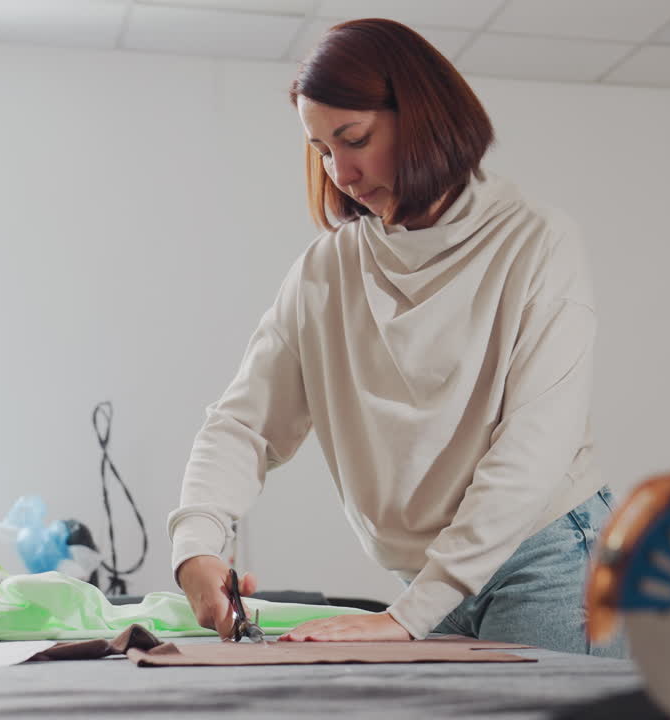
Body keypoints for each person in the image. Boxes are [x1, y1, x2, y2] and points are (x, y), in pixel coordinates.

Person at [168, 17, 625, 657]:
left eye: (353, 139)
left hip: (548, 558)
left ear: (424, 116)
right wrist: (196, 545)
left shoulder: (538, 242)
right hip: (425, 583)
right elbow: (244, 427)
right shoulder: (326, 271)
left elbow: (533, 450)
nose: (342, 173)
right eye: (322, 149)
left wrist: (411, 614)